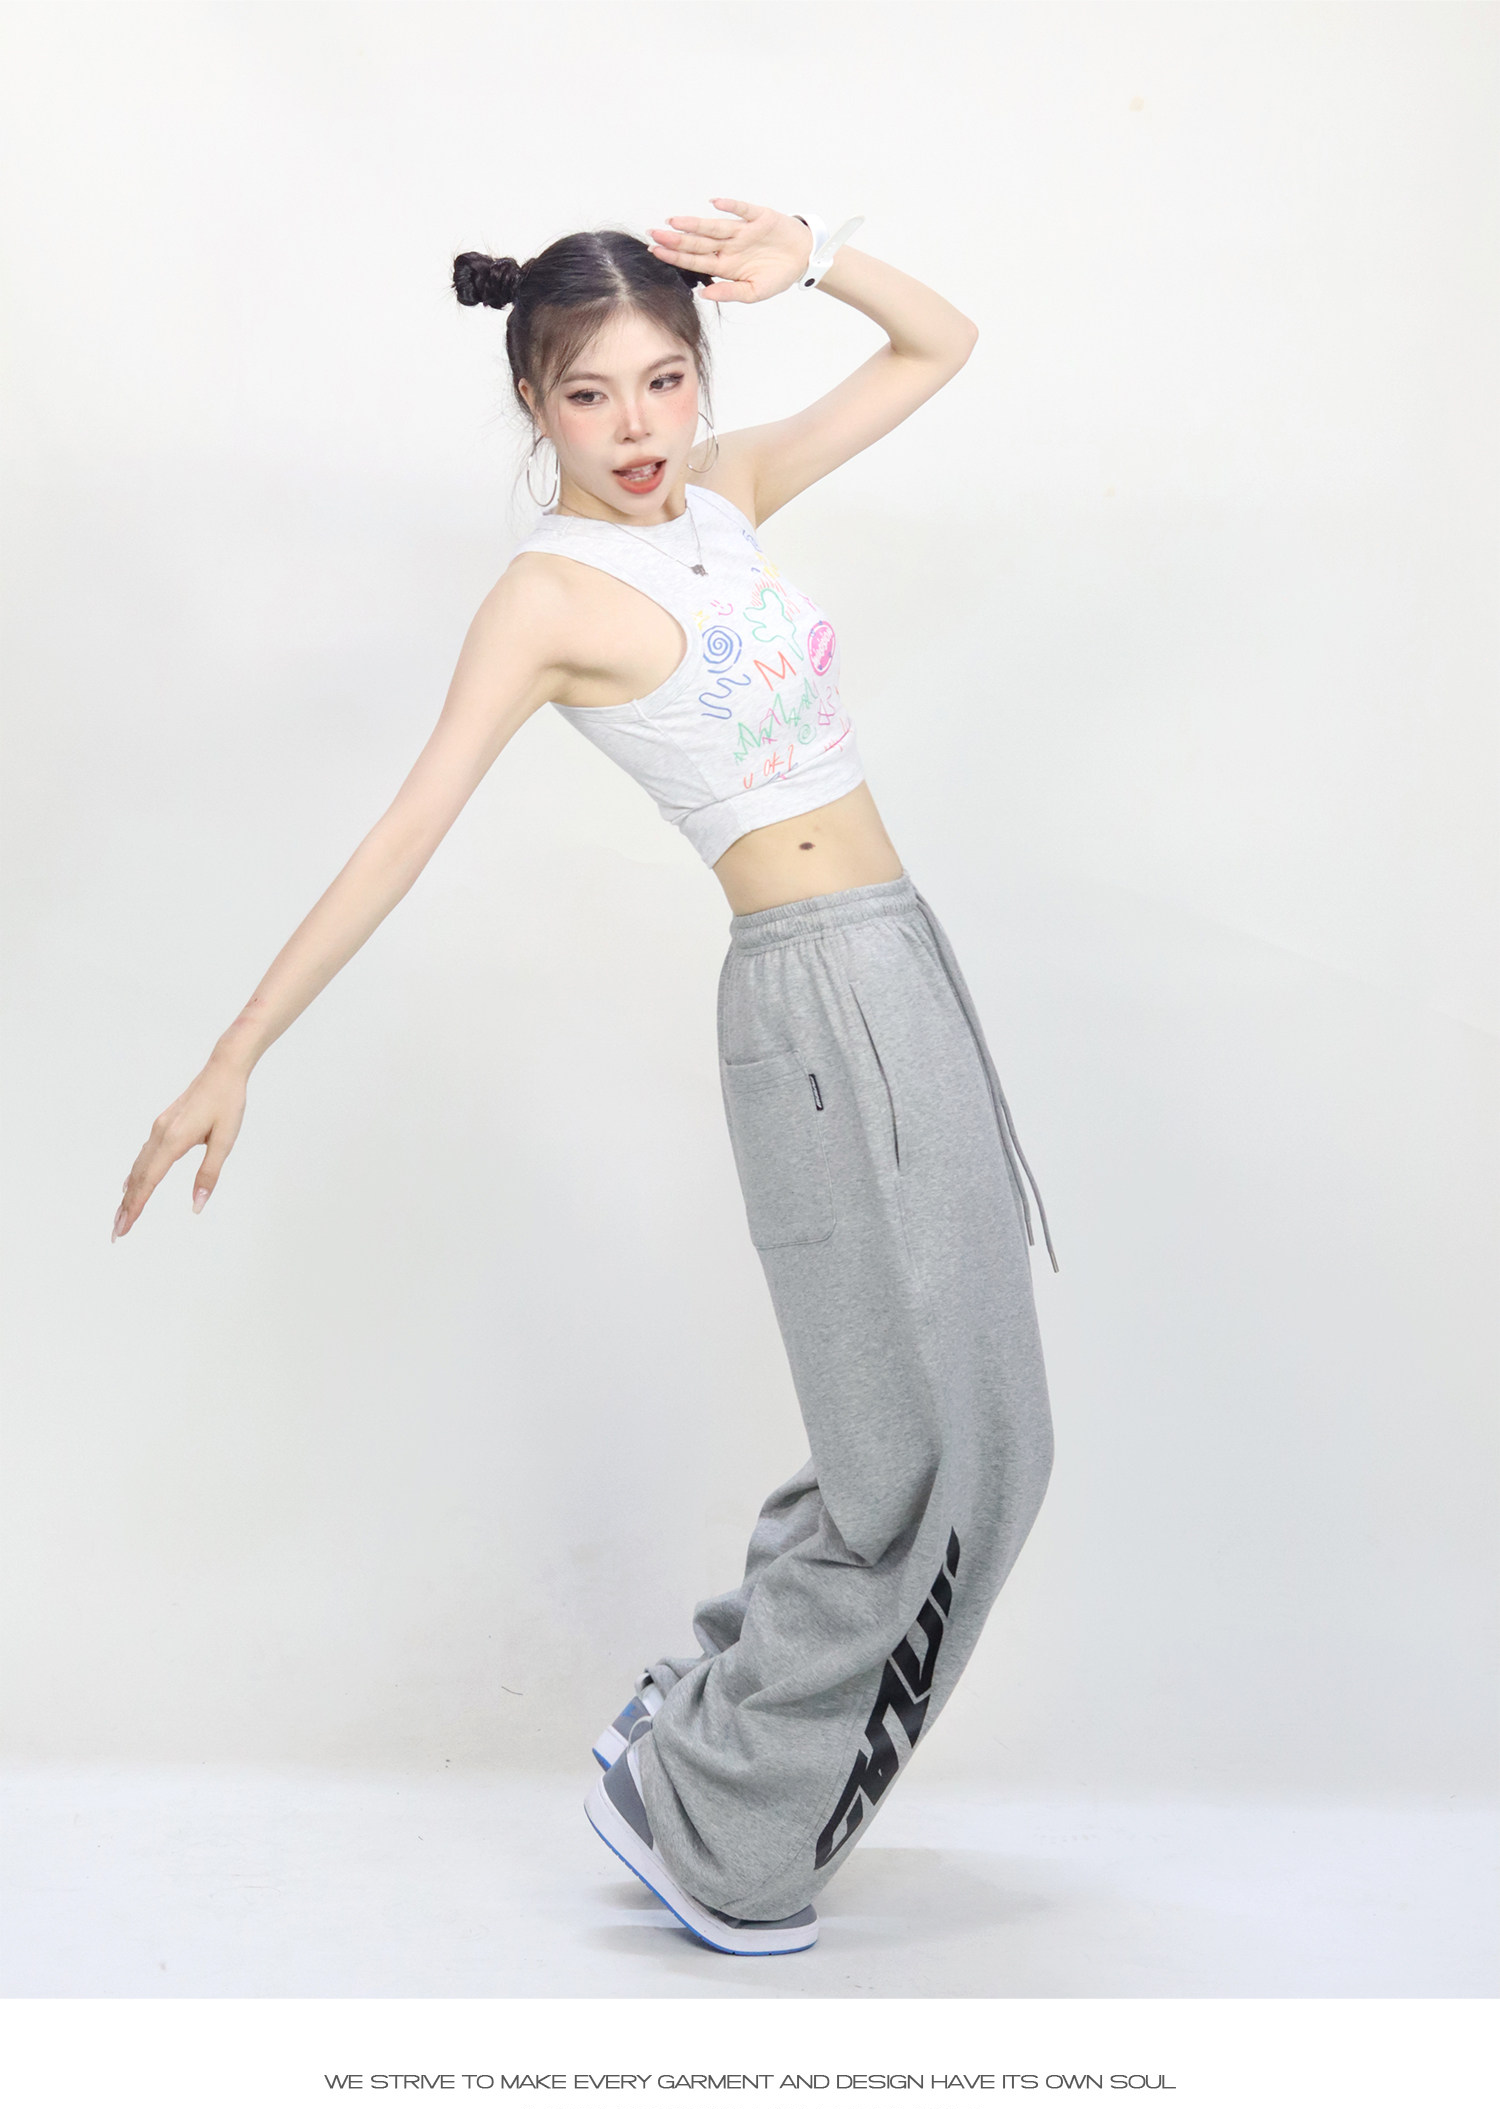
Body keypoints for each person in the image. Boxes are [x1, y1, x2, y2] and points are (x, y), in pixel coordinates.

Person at [112, 199, 1056, 1958]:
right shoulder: (548, 595)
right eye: (591, 395)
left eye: (666, 380)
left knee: (989, 1434)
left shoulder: (727, 497)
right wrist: (235, 1051)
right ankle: (715, 1819)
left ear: (701, 377)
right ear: (533, 405)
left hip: (904, 961)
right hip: (809, 1002)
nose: (638, 428)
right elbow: (404, 832)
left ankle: (695, 1726)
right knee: (915, 1459)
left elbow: (941, 345)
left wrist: (817, 252)